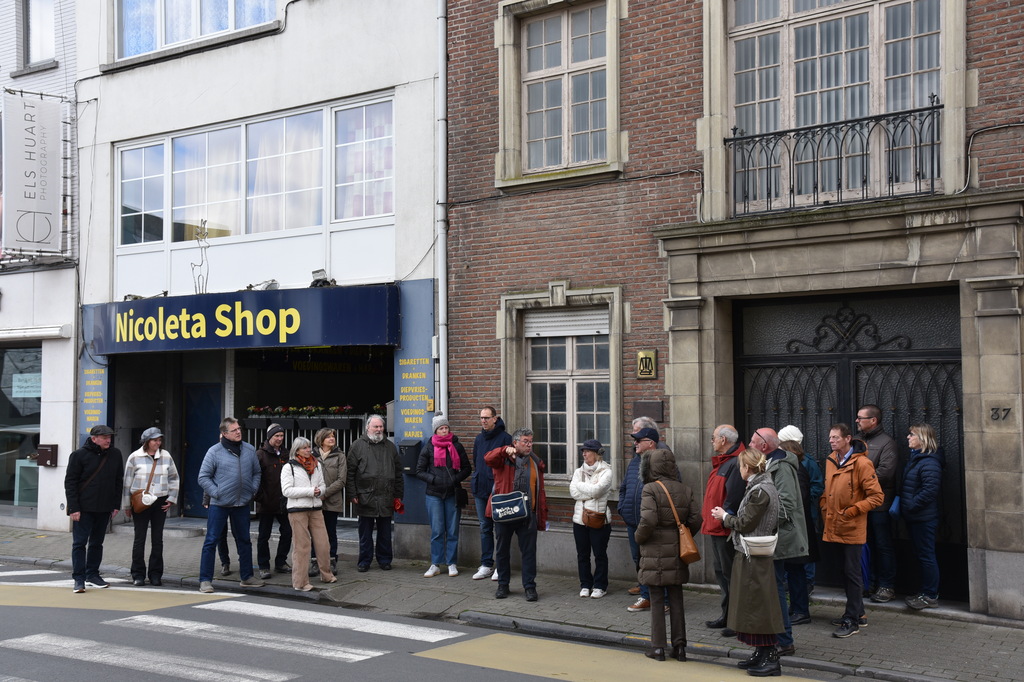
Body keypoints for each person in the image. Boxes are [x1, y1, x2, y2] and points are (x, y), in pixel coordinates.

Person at [711, 448, 785, 677]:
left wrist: (724, 517)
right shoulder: (759, 487)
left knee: (759, 606)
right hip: (750, 553)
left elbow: (744, 523)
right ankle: (761, 653)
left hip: (754, 555)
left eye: (741, 466)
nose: (739, 470)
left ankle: (771, 658)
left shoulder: (760, 491)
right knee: (753, 605)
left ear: (748, 467)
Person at [635, 448, 701, 662]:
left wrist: (639, 537)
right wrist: (683, 534)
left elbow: (648, 521)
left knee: (656, 599)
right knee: (676, 598)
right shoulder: (685, 489)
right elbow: (696, 520)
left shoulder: (650, 489)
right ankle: (680, 647)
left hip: (654, 549)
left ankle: (658, 648)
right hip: (677, 549)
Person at [749, 427, 807, 657]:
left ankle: (784, 640)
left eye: (753, 442)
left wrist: (758, 522)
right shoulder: (766, 463)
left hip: (776, 537)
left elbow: (786, 505)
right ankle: (774, 639)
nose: (749, 445)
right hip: (767, 535)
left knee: (774, 591)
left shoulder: (781, 467)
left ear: (764, 446)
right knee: (769, 590)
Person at [821, 423, 884, 637]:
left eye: (836, 437)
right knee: (844, 572)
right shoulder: (831, 461)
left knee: (852, 573)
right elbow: (827, 489)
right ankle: (860, 614)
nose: (831, 441)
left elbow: (877, 497)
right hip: (833, 524)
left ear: (848, 439)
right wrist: (824, 508)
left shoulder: (862, 463)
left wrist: (853, 510)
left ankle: (851, 620)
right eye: (830, 437)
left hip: (852, 526)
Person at [197, 417, 264, 594]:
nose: (238, 432)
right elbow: (203, 477)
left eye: (239, 429)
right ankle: (205, 580)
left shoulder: (249, 450)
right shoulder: (214, 451)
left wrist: (253, 490)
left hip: (242, 503)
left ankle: (247, 577)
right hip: (219, 504)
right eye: (234, 430)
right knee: (211, 540)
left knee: (244, 541)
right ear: (224, 433)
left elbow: (257, 472)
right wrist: (217, 493)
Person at [485, 427, 548, 602]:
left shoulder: (534, 461)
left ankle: (529, 587)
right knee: (502, 551)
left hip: (528, 514)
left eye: (530, 442)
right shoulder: (503, 460)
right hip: (505, 513)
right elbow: (487, 458)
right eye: (525, 442)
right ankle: (502, 585)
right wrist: (504, 450)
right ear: (515, 443)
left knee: (529, 552)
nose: (529, 445)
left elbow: (539, 487)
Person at [64, 425, 123, 593]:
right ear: (94, 438)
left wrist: (115, 505)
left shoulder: (115, 454)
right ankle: (79, 578)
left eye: (109, 437)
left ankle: (93, 574)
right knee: (79, 543)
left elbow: (118, 480)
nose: (108, 440)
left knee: (97, 543)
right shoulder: (78, 455)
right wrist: (73, 508)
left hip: (104, 507)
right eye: (104, 437)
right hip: (83, 508)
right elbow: (70, 483)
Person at [701, 424, 746, 637]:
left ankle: (736, 620)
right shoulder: (724, 462)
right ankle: (726, 615)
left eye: (713, 438)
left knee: (731, 575)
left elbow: (733, 498)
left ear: (723, 440)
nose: (712, 441)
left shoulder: (735, 463)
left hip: (724, 528)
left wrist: (724, 521)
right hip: (716, 527)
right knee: (722, 574)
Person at [122, 427, 180, 586]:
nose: (158, 443)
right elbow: (127, 483)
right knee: (139, 539)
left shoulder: (166, 456)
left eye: (160, 440)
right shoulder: (134, 457)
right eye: (155, 440)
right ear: (146, 441)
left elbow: (174, 478)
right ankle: (138, 574)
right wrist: (127, 505)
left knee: (157, 539)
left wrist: (172, 498)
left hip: (160, 501)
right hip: (140, 501)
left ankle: (155, 574)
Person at [346, 415, 404, 572]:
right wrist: (353, 494)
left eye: (381, 427)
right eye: (375, 427)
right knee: (365, 533)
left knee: (385, 533)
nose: (379, 430)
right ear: (368, 428)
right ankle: (364, 561)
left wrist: (398, 495)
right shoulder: (357, 446)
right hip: (365, 497)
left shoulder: (390, 447)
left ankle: (384, 560)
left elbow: (398, 473)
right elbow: (350, 472)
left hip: (386, 496)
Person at [417, 414, 471, 578]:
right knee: (437, 531)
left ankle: (452, 563)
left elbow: (467, 468)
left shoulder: (457, 446)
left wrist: (454, 479)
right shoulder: (428, 447)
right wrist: (433, 479)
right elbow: (419, 470)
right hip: (434, 494)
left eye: (446, 427)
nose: (444, 430)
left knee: (453, 530)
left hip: (452, 493)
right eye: (441, 428)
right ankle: (436, 564)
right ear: (435, 430)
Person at [281, 437, 337, 591]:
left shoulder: (317, 465)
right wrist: (311, 491)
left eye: (309, 447)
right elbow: (286, 491)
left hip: (316, 508)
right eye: (304, 448)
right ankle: (300, 582)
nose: (308, 450)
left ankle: (326, 574)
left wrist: (320, 491)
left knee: (323, 543)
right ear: (297, 450)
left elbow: (323, 485)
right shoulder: (289, 467)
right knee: (302, 546)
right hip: (297, 510)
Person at [856, 404, 899, 603]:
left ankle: (886, 585)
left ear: (873, 420)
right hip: (860, 503)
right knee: (866, 544)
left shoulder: (887, 443)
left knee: (883, 545)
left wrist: (858, 482)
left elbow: (885, 473)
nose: (857, 421)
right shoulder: (857, 441)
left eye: (860, 418)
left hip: (880, 505)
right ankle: (869, 582)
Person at [778, 430, 818, 626]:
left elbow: (798, 498)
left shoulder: (797, 470)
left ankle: (801, 610)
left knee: (797, 573)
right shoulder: (796, 469)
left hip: (797, 530)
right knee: (794, 572)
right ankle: (796, 608)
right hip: (795, 528)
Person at [902, 423, 944, 610]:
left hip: (923, 518)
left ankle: (930, 595)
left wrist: (911, 505)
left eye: (912, 435)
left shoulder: (929, 462)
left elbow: (930, 490)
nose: (908, 438)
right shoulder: (917, 459)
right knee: (921, 555)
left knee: (926, 555)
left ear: (923, 439)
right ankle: (925, 591)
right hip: (915, 517)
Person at [471, 405, 513, 581]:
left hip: (498, 491)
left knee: (500, 529)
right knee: (484, 527)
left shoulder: (505, 438)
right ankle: (486, 564)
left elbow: (510, 465)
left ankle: (500, 566)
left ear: (495, 418)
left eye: (486, 418)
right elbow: (476, 462)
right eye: (481, 418)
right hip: (481, 489)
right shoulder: (479, 439)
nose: (483, 421)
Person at [620, 424, 660, 612]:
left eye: (638, 440)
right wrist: (623, 509)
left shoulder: (661, 461)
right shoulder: (635, 461)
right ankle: (645, 595)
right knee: (639, 560)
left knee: (654, 561)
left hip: (650, 522)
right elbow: (624, 487)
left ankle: (661, 598)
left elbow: (669, 490)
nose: (634, 443)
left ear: (650, 443)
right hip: (632, 521)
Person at [569, 439, 613, 599]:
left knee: (600, 554)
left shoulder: (606, 471)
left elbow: (597, 491)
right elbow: (573, 493)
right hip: (579, 520)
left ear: (596, 453)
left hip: (599, 519)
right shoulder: (578, 471)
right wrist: (590, 491)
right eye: (583, 451)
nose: (584, 454)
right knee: (582, 554)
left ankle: (600, 586)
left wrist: (582, 487)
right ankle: (585, 584)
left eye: (587, 451)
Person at [254, 423, 293, 580]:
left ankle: (281, 562)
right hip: (266, 502)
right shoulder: (260, 455)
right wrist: (260, 497)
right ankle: (263, 566)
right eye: (276, 436)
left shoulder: (286, 453)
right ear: (269, 437)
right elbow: (255, 478)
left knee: (288, 532)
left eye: (282, 436)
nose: (279, 439)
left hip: (283, 502)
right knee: (264, 535)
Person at [315, 427, 347, 576]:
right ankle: (314, 561)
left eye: (333, 436)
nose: (332, 439)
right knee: (314, 532)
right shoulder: (312, 455)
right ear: (321, 440)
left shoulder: (340, 456)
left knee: (330, 532)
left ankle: (331, 561)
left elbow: (342, 480)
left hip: (332, 500)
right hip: (315, 501)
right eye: (328, 437)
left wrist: (325, 493)